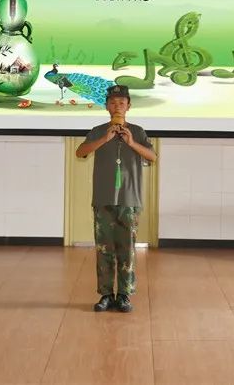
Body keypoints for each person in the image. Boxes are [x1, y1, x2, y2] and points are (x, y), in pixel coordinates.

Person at [75, 85, 157, 313]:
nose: (117, 106)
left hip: (129, 199)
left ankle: (124, 295)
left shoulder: (138, 131)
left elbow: (152, 156)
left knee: (126, 249)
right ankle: (105, 295)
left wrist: (131, 143)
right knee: (104, 249)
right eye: (112, 103)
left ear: (128, 106)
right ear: (106, 107)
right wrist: (105, 138)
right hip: (103, 198)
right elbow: (80, 152)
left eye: (122, 103)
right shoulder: (98, 131)